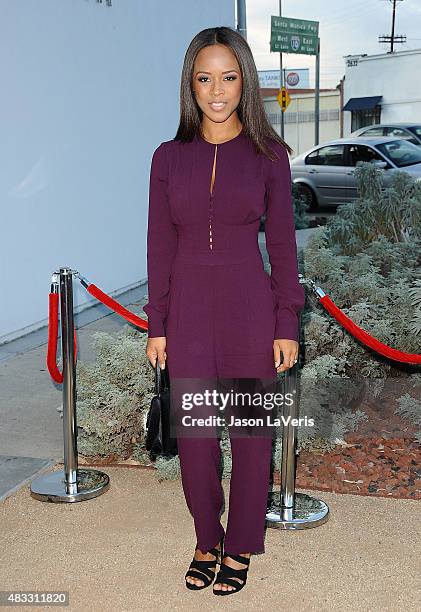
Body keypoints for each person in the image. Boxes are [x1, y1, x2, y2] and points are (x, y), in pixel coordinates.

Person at [144, 26, 305, 596]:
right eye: (205, 78)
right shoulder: (168, 158)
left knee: (252, 437)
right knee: (196, 444)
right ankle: (206, 538)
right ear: (191, 83)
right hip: (187, 313)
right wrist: (156, 324)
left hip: (249, 309)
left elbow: (283, 246)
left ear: (246, 81)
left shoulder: (269, 156)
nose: (217, 90)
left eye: (229, 77)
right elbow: (158, 246)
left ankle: (240, 545)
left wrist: (287, 321)